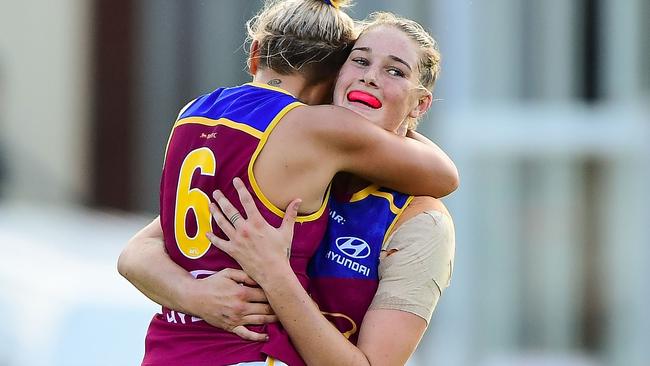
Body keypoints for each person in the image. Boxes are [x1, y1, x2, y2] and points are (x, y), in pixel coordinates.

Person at [118, 1, 458, 365]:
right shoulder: (297, 150)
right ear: (333, 76)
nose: (370, 77)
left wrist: (275, 275)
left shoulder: (419, 221)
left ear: (421, 104)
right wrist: (196, 296)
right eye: (359, 61)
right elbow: (137, 253)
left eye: (394, 71)